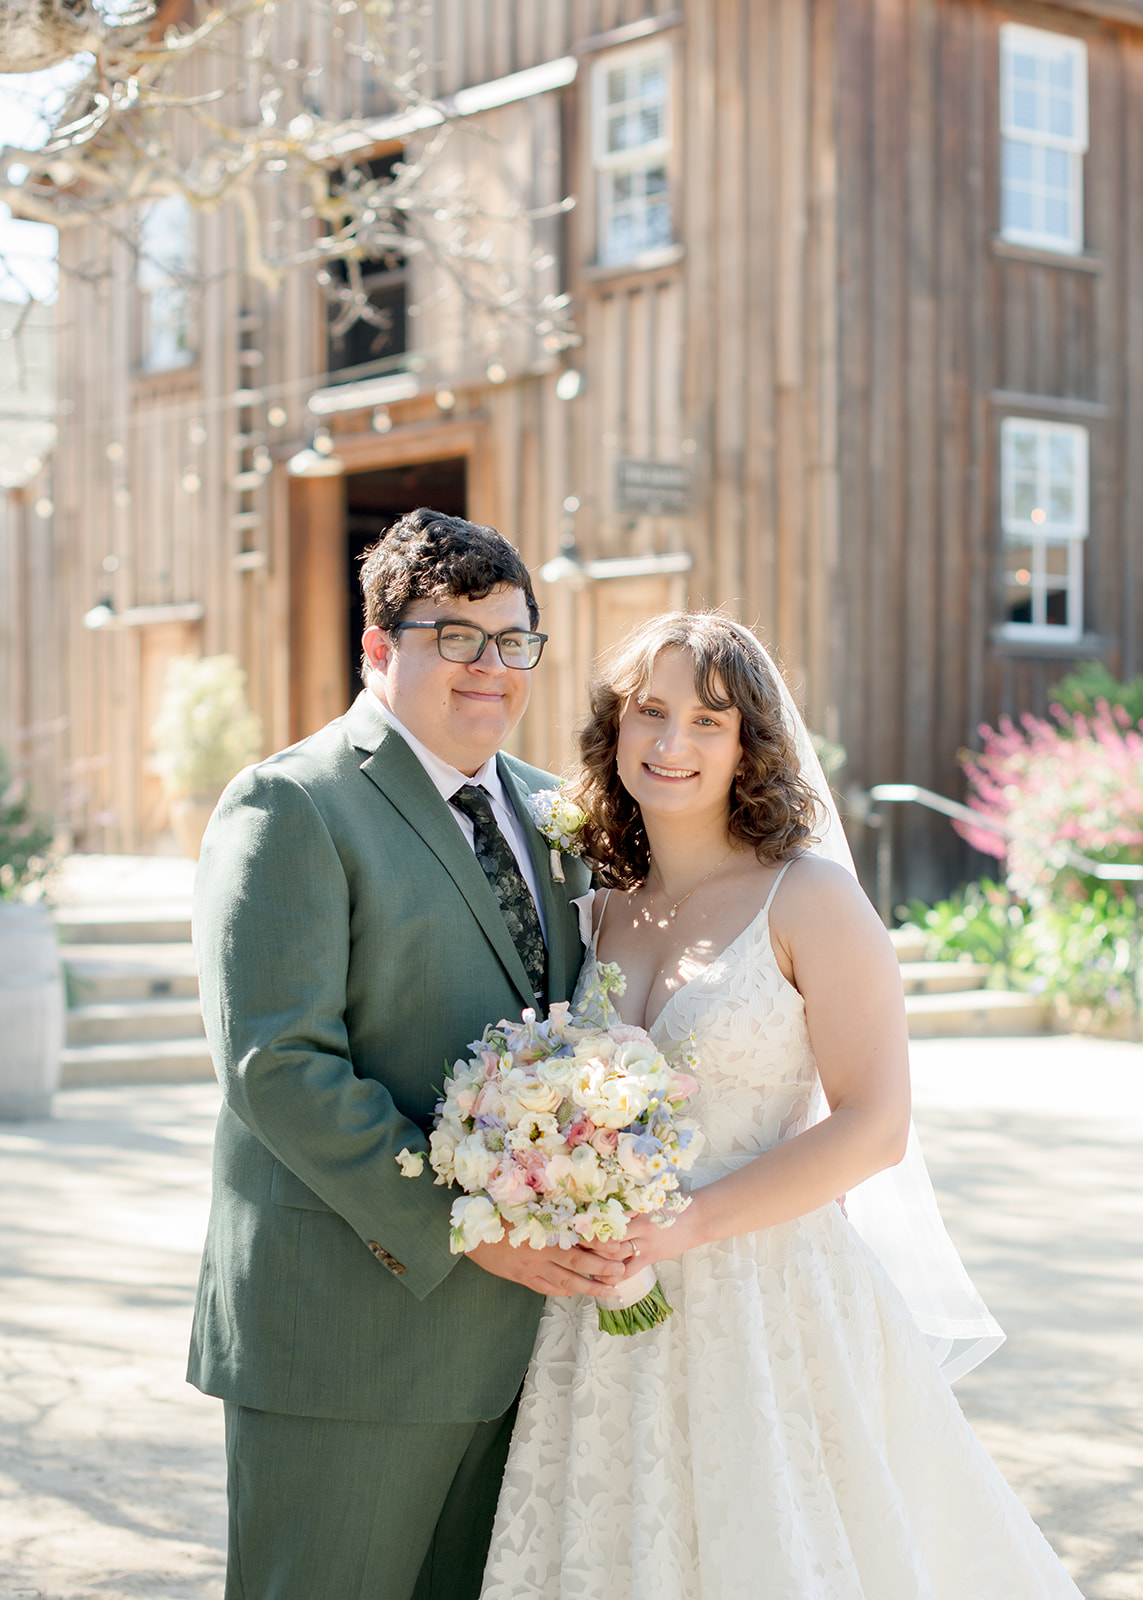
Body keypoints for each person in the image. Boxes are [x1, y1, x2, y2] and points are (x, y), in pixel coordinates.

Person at [479, 611, 1085, 1600]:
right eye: (651, 712)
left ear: (749, 742)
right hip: (605, 1308)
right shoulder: (602, 906)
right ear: (614, 731)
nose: (673, 744)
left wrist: (685, 1224)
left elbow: (875, 1126)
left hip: (768, 1302)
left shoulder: (809, 899)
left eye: (708, 720)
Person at [188, 508, 629, 1600]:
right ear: (379, 648)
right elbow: (277, 1067)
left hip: (521, 1345)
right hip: (347, 1334)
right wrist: (465, 1229)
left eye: (512, 639)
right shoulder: (292, 801)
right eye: (456, 636)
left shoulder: (550, 808)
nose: (491, 667)